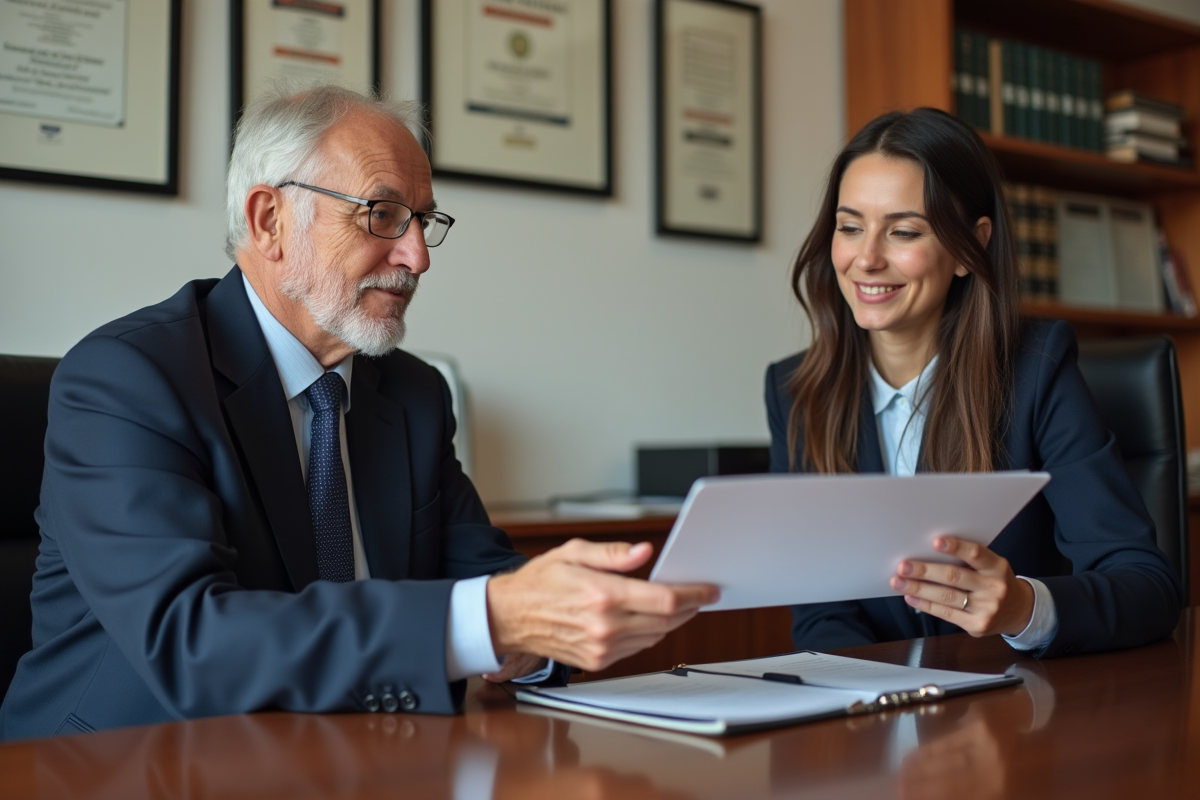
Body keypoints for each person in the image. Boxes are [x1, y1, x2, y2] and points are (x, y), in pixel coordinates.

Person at [0, 85, 718, 740]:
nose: (417, 257)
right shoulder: (128, 378)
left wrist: (546, 628)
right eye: (381, 214)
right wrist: (494, 619)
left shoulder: (410, 394)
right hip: (122, 764)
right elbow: (192, 641)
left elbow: (487, 583)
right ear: (270, 219)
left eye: (424, 221)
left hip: (355, 760)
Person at [764, 107, 1182, 657]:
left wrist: (1022, 609)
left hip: (1022, 714)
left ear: (970, 246)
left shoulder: (1037, 370)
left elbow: (1148, 587)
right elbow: (821, 613)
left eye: (903, 231)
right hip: (876, 724)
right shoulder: (797, 390)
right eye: (849, 227)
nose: (866, 258)